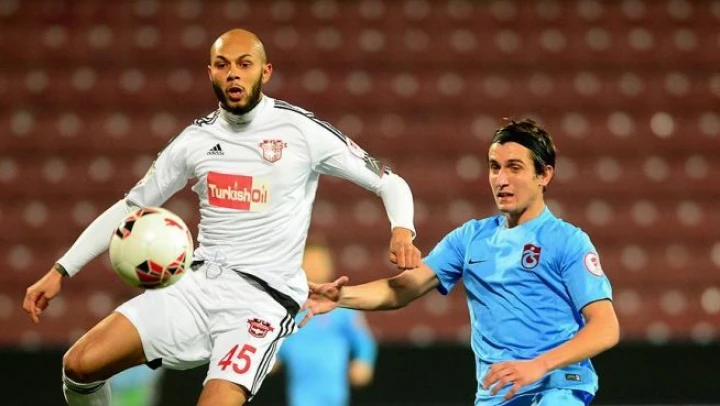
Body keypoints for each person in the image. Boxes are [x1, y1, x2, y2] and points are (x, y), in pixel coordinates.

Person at [22, 28, 421, 406]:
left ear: (265, 72)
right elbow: (131, 207)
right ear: (210, 72)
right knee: (79, 365)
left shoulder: (301, 130)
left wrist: (402, 232)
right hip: (197, 286)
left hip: (262, 303)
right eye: (222, 64)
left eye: (245, 64)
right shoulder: (195, 140)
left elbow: (390, 183)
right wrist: (61, 270)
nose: (233, 73)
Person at [303, 119, 620, 406]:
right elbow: (402, 289)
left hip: (557, 387)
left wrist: (539, 365)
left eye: (514, 168)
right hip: (498, 395)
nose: (501, 179)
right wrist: (341, 297)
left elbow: (606, 327)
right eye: (494, 167)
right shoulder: (470, 239)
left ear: (544, 174)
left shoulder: (567, 241)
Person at [274, 240, 377, 406]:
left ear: (329, 266)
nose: (315, 268)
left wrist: (364, 361)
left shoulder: (342, 306)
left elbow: (363, 340)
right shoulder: (290, 308)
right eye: (310, 262)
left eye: (320, 262)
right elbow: (279, 343)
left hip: (334, 392)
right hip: (300, 392)